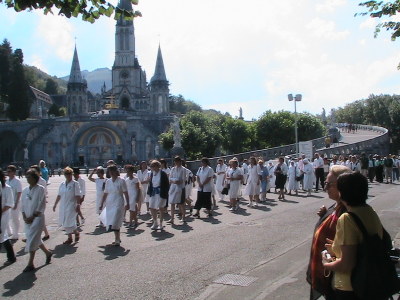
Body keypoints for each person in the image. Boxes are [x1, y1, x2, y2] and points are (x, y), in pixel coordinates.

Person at [323, 172, 385, 299]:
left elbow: (347, 264)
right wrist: (335, 248)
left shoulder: (347, 218)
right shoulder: (369, 211)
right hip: (370, 279)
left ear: (342, 193)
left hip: (349, 285)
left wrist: (326, 263)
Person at [306, 165, 351, 300]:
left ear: (342, 186)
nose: (326, 188)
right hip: (330, 274)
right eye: (325, 183)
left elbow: (348, 256)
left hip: (338, 279)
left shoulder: (347, 212)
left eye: (329, 184)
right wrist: (325, 216)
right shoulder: (337, 205)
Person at [21, 168, 52, 272]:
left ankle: (30, 263)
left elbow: (41, 205)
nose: (27, 179)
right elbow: (23, 205)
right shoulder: (25, 190)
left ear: (35, 178)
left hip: (37, 218)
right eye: (26, 177)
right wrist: (24, 216)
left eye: (29, 177)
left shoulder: (40, 189)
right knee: (36, 239)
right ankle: (48, 253)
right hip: (27, 219)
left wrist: (32, 217)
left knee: (32, 240)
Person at [100, 165, 129, 246]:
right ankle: (117, 238)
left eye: (113, 171)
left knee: (116, 219)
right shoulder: (108, 181)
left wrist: (128, 203)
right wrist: (101, 203)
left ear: (116, 171)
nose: (112, 173)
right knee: (112, 220)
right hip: (110, 202)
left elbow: (125, 192)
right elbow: (105, 193)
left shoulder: (121, 180)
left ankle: (117, 238)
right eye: (110, 171)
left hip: (118, 201)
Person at [53, 167, 81, 244]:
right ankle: (74, 233)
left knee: (68, 221)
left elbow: (78, 195)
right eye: (66, 174)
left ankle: (70, 237)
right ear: (64, 175)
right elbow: (59, 195)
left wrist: (78, 204)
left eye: (69, 174)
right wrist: (55, 204)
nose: (68, 176)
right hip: (63, 205)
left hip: (72, 205)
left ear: (71, 174)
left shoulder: (75, 184)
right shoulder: (62, 184)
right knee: (65, 221)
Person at [0, 169, 17, 265]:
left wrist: (1, 211)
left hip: (4, 215)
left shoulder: (7, 188)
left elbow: (10, 203)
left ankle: (11, 257)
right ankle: (11, 256)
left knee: (2, 235)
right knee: (3, 236)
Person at [147, 160, 169, 230]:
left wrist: (165, 192)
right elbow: (151, 184)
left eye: (153, 166)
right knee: (152, 207)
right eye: (151, 166)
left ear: (157, 166)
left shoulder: (163, 173)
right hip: (153, 192)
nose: (152, 168)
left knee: (161, 208)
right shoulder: (151, 173)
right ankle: (155, 222)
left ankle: (161, 223)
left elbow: (166, 184)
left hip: (160, 192)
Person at [6, 165, 22, 241]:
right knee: (6, 218)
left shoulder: (17, 181)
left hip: (15, 202)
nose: (7, 173)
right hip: (7, 203)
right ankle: (9, 232)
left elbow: (19, 192)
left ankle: (16, 234)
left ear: (13, 172)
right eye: (7, 171)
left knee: (15, 219)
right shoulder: (7, 181)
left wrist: (16, 203)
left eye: (9, 171)